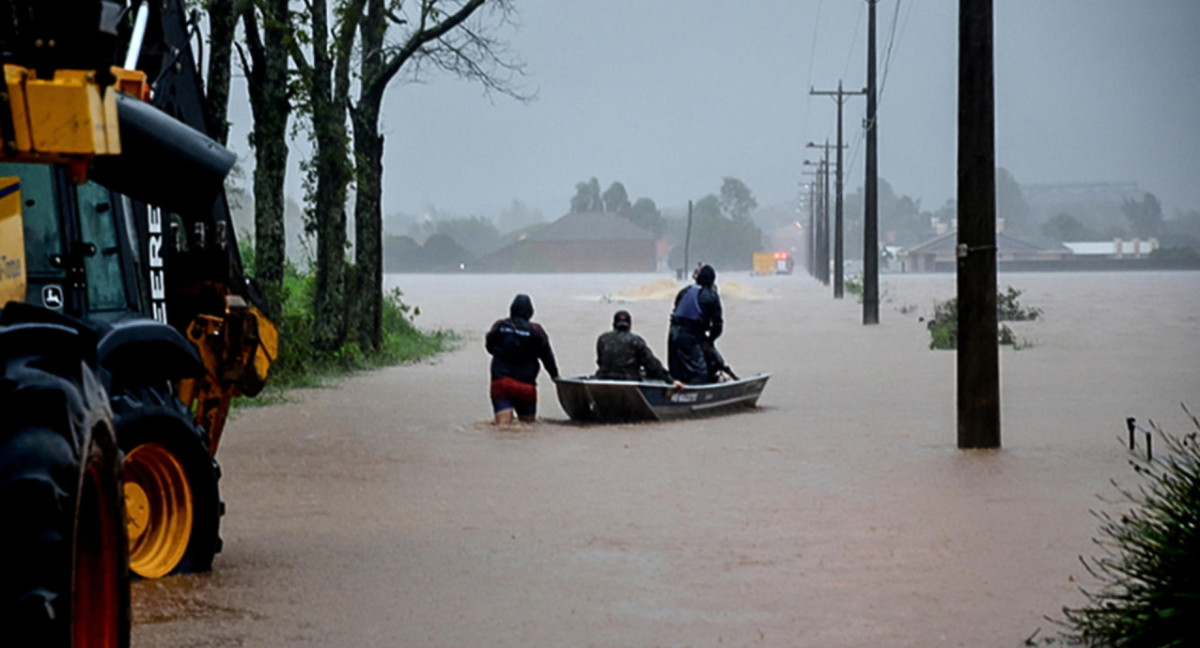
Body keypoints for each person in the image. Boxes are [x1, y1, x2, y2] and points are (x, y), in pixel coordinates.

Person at [485, 294, 558, 424]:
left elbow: (489, 347)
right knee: (528, 427)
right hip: (526, 385)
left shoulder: (499, 326)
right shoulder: (536, 331)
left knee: (503, 426)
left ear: (511, 309)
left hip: (501, 382)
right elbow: (547, 357)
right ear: (530, 313)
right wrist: (555, 377)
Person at [595, 310, 684, 387]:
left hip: (603, 378)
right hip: (629, 381)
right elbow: (652, 364)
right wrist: (670, 380)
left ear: (613, 325)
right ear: (630, 325)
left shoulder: (602, 339)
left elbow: (600, 362)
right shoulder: (636, 341)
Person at [668, 264, 724, 384]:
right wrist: (709, 341)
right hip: (690, 337)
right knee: (700, 373)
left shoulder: (684, 291)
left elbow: (676, 312)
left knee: (676, 371)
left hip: (673, 334)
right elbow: (718, 325)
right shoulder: (712, 296)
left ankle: (675, 386)